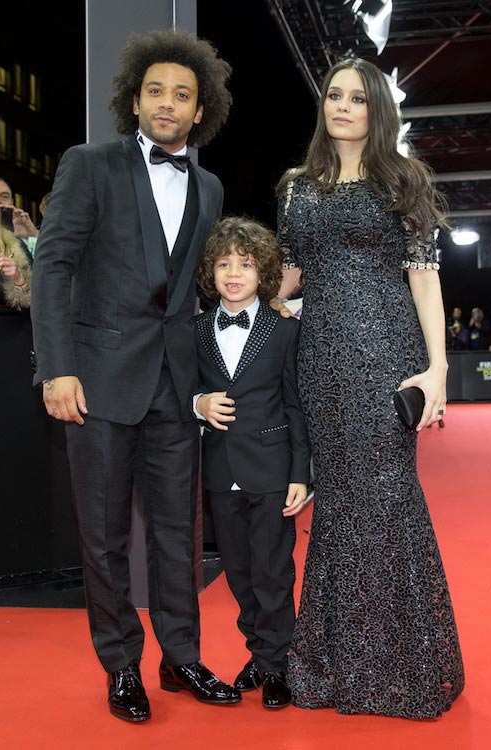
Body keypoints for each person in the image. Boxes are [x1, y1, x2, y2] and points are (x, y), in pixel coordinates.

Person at [31, 29, 240, 722]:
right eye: (156, 91)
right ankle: (121, 664)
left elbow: (192, 294)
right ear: (135, 98)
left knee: (180, 531)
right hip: (96, 379)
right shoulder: (89, 164)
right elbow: (53, 267)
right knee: (104, 533)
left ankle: (181, 656)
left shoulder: (208, 186)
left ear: (199, 111)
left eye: (182, 95)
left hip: (176, 389)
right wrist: (56, 368)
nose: (167, 104)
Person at [275, 56, 464, 718]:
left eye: (358, 98)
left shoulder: (401, 181)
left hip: (387, 359)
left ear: (377, 110)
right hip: (322, 365)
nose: (343, 106)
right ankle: (337, 665)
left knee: (385, 502)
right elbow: (288, 275)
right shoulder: (297, 188)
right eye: (334, 95)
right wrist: (229, 287)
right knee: (341, 509)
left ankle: (400, 669)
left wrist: (437, 369)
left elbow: (423, 276)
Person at [194, 217, 310, 709]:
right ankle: (260, 654)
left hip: (270, 469)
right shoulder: (196, 329)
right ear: (209, 272)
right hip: (221, 472)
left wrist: (300, 474)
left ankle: (277, 664)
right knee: (239, 574)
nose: (234, 273)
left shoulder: (284, 328)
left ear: (262, 271)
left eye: (244, 264)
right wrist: (198, 403)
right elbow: (181, 391)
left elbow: (296, 403)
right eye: (224, 264)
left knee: (272, 571)